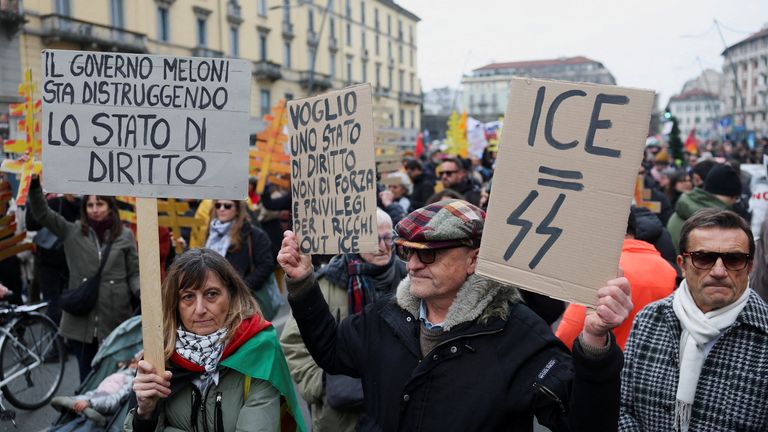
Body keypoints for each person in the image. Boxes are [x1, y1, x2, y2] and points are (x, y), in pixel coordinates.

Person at [278, 199, 633, 431]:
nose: (413, 265)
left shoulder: (517, 332)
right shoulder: (387, 314)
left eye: (429, 255)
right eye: (407, 251)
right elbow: (332, 352)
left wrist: (595, 344)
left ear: (473, 259)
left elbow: (583, 423)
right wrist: (303, 284)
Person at [620, 208, 768, 431]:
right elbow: (622, 407)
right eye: (703, 258)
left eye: (734, 259)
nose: (718, 271)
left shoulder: (763, 335)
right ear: (682, 263)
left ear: (749, 266)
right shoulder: (650, 320)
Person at [125, 249, 305, 432]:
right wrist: (145, 413)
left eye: (211, 294)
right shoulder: (161, 358)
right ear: (175, 304)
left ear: (232, 295)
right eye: (188, 297)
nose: (200, 309)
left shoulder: (259, 349)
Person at [280, 209, 406, 432]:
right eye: (374, 239)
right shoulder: (326, 283)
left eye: (388, 238)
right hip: (341, 418)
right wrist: (323, 384)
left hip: (399, 412)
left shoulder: (410, 279)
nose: (384, 246)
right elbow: (293, 343)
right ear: (354, 242)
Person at [27, 177, 140, 382]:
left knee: (114, 381)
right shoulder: (72, 231)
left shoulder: (124, 235)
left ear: (110, 206)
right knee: (86, 381)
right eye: (90, 204)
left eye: (100, 203)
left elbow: (134, 272)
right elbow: (42, 214)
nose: (95, 209)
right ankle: (86, 415)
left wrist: (142, 292)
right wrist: (34, 186)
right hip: (81, 320)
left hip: (115, 318)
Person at [556, 207, 677, 350]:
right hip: (649, 363)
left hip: (605, 362)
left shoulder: (602, 270)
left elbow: (567, 337)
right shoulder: (668, 269)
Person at [26, 192, 81, 326]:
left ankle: (58, 342)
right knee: (64, 304)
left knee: (55, 306)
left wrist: (41, 199)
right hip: (66, 261)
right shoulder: (82, 205)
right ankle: (61, 342)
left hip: (54, 260)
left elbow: (31, 223)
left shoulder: (56, 202)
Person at [205, 199, 274, 303]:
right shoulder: (212, 233)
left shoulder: (254, 234)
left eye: (227, 206)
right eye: (218, 205)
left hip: (245, 298)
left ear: (237, 209)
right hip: (216, 298)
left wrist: (241, 288)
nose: (222, 209)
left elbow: (266, 265)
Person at [667, 163, 742, 252]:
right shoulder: (718, 222)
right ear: (730, 195)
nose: (734, 202)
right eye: (736, 198)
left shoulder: (682, 209)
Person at [52, 352, 141, 427]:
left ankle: (75, 404)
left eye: (136, 361)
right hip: (95, 394)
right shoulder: (123, 369)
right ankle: (72, 403)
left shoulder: (131, 379)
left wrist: (90, 403)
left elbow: (115, 400)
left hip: (103, 403)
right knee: (72, 404)